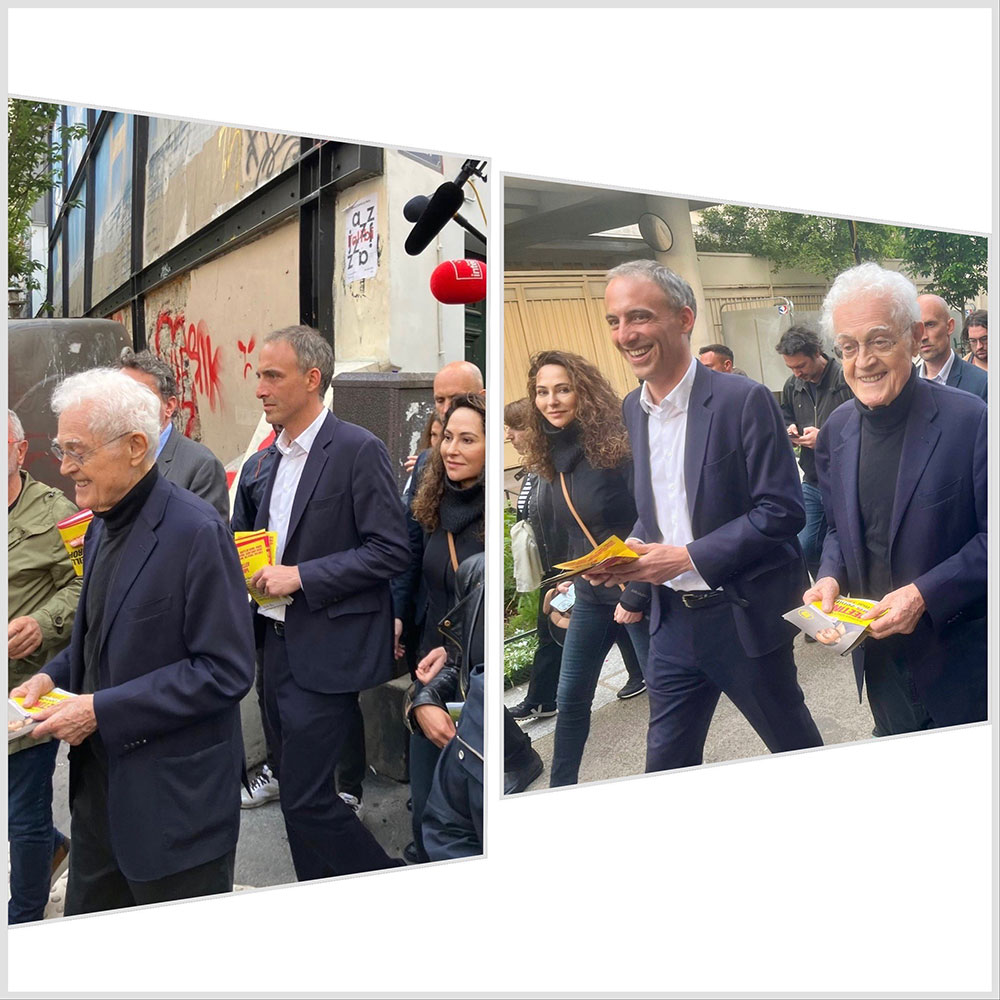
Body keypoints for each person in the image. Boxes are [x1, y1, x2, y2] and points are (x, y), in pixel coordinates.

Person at [11, 369, 254, 914]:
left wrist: (100, 710)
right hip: (100, 806)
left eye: (77, 449)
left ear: (136, 446)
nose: (64, 465)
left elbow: (226, 671)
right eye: (60, 446)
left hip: (175, 815)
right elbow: (96, 635)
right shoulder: (98, 521)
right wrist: (54, 676)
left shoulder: (196, 532)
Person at [587, 260, 823, 772]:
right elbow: (656, 517)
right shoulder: (633, 407)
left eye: (640, 317)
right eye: (614, 321)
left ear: (684, 318)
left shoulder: (745, 400)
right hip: (670, 624)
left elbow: (783, 511)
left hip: (741, 615)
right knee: (665, 764)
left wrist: (687, 557)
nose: (625, 334)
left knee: (794, 749)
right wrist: (624, 560)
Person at [249, 325, 409, 879]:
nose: (260, 388)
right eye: (259, 374)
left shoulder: (358, 449)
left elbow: (390, 551)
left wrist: (302, 576)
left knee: (307, 797)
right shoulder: (267, 461)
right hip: (273, 647)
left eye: (273, 375)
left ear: (312, 379)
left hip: (326, 649)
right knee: (298, 796)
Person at [806, 264, 986, 734]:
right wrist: (828, 577)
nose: (863, 360)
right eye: (848, 347)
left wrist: (925, 594)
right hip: (880, 663)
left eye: (879, 340)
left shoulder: (972, 420)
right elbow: (835, 530)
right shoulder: (837, 431)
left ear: (912, 337)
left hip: (963, 662)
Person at [518, 350, 651, 787]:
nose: (551, 401)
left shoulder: (619, 446)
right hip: (592, 594)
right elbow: (571, 531)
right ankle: (561, 792)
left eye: (562, 389)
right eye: (542, 392)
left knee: (670, 700)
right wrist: (563, 583)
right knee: (571, 698)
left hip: (637, 588)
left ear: (585, 393)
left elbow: (651, 519)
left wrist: (635, 595)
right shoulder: (548, 457)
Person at [404, 394, 486, 861]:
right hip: (430, 679)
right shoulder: (435, 504)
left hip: (467, 686)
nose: (452, 449)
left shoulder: (492, 519)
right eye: (448, 437)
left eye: (468, 440)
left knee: (462, 828)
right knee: (424, 818)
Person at [7, 410, 81, 923]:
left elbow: (90, 584)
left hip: (26, 689)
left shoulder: (56, 511)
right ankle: (55, 848)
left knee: (22, 809)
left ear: (17, 451)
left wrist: (42, 621)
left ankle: (26, 917)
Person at [776, 325, 853, 579]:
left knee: (848, 546)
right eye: (792, 368)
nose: (798, 373)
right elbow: (785, 412)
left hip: (846, 479)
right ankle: (827, 590)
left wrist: (825, 437)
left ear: (817, 353)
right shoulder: (793, 385)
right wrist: (789, 427)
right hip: (812, 478)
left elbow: (864, 425)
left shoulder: (846, 379)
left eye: (801, 366)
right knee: (806, 545)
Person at [118, 349, 230, 517]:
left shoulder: (200, 466)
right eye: (118, 398)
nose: (125, 407)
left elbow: (208, 539)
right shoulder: (109, 456)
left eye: (138, 397)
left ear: (168, 406)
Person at [915, 294, 987, 401]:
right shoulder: (905, 384)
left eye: (930, 325)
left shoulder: (983, 384)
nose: (923, 336)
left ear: (950, 326)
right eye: (917, 327)